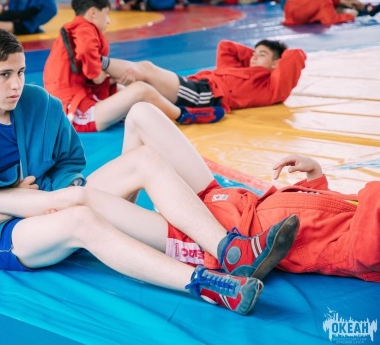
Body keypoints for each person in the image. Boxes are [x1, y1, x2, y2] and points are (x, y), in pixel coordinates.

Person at [0, 27, 301, 315]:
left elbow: (71, 160)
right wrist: (15, 204)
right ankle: (207, 285)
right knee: (81, 218)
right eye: (4, 75)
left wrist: (51, 195)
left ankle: (231, 250)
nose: (16, 85)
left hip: (54, 200)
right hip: (4, 237)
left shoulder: (40, 103)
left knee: (142, 159)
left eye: (19, 72)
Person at [116, 103, 379, 282]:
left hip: (214, 238)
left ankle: (111, 227)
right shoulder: (361, 214)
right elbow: (321, 220)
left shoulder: (362, 249)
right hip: (227, 203)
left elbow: (350, 244)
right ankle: (118, 221)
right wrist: (316, 177)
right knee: (141, 114)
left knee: (98, 199)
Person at [43, 0, 225, 133]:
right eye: (106, 14)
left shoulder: (72, 30)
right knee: (141, 89)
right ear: (93, 13)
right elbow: (87, 54)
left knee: (125, 88)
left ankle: (172, 107)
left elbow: (80, 69)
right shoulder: (84, 28)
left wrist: (108, 80)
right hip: (75, 113)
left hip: (72, 104)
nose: (108, 21)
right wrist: (97, 74)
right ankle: (183, 115)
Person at [101, 37, 306, 113]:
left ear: (277, 63)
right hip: (197, 86)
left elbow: (295, 55)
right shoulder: (238, 68)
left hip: (205, 95)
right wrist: (256, 56)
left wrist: (272, 64)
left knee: (146, 70)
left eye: (261, 55)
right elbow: (226, 47)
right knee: (129, 87)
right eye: (253, 53)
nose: (253, 57)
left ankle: (97, 61)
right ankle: (97, 80)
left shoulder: (271, 86)